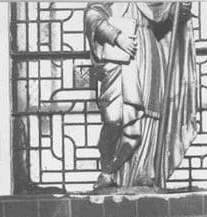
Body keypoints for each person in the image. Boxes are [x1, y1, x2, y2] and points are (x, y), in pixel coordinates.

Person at [84, 2, 198, 191]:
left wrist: (181, 8)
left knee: (146, 116)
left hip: (147, 52)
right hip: (118, 55)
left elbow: (167, 16)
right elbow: (92, 15)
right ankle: (108, 171)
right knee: (114, 118)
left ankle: (144, 172)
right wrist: (117, 36)